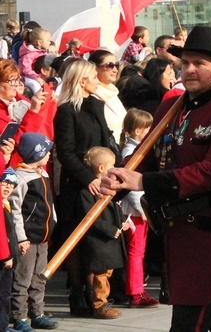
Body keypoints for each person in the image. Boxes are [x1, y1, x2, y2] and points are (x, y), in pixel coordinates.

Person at [100, 25, 211, 331]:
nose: (189, 70)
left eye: (199, 63)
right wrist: (120, 177)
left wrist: (143, 182)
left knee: (192, 321)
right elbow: (146, 157)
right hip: (179, 234)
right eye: (185, 63)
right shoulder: (171, 107)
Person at [53, 59, 119, 317]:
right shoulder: (66, 111)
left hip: (101, 181)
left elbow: (106, 141)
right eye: (93, 77)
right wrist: (86, 177)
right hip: (77, 185)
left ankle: (98, 297)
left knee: (97, 241)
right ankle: (78, 294)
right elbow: (65, 152)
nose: (97, 80)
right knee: (78, 242)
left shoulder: (97, 106)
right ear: (82, 81)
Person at [8, 133, 58, 330]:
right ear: (36, 154)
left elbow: (49, 202)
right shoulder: (20, 178)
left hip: (43, 237)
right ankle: (19, 317)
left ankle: (37, 312)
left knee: (39, 277)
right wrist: (20, 238)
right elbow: (15, 211)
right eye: (46, 152)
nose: (49, 156)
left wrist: (53, 220)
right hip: (27, 239)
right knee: (22, 278)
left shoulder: (43, 174)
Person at [77, 147, 128, 319]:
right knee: (101, 273)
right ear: (101, 168)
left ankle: (103, 301)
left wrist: (121, 222)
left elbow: (115, 206)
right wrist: (111, 229)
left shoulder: (108, 187)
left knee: (107, 272)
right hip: (99, 241)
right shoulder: (87, 192)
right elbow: (91, 218)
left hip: (109, 241)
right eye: (111, 165)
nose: (113, 168)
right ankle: (99, 304)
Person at [118, 109, 159, 308]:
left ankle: (138, 289)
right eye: (146, 129)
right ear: (136, 131)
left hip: (137, 210)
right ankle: (135, 292)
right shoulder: (130, 151)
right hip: (133, 211)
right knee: (136, 252)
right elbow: (130, 184)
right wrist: (141, 208)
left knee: (139, 251)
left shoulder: (136, 148)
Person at [89, 50, 128, 143]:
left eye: (116, 65)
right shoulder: (92, 95)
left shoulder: (113, 93)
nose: (115, 70)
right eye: (110, 65)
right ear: (95, 69)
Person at [0, 168, 19, 332]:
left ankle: (4, 325)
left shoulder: (7, 205)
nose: (8, 188)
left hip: (9, 256)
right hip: (3, 258)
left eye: (11, 185)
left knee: (5, 295)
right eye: (5, 183)